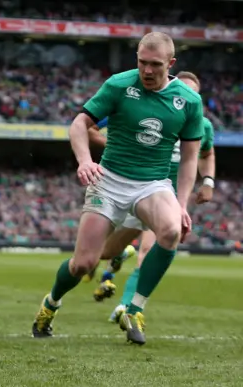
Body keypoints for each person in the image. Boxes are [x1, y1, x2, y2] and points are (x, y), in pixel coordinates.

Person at [31, 32, 205, 345]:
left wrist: (182, 205)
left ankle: (134, 308)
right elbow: (79, 124)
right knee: (83, 264)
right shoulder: (119, 84)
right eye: (142, 63)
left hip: (152, 183)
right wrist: (85, 161)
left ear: (171, 64)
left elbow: (191, 158)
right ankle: (51, 303)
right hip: (109, 180)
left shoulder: (189, 101)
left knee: (170, 231)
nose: (147, 71)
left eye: (155, 65)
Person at [86, 71, 216, 321]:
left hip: (164, 197)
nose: (184, 99)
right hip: (134, 184)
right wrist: (117, 145)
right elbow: (91, 127)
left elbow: (206, 153)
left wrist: (208, 181)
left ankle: (128, 308)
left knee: (148, 250)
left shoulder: (203, 125)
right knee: (102, 252)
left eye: (192, 95)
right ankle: (119, 255)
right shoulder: (147, 111)